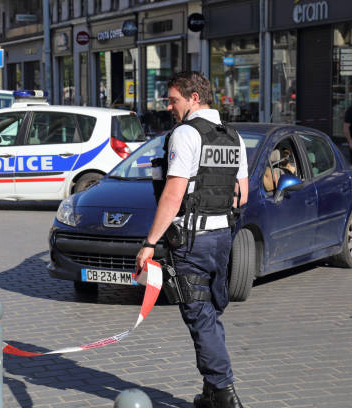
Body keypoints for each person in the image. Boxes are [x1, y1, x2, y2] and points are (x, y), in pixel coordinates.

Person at [136, 71, 248, 408]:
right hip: (222, 237)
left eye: (173, 100)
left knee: (199, 315)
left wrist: (150, 242)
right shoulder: (233, 136)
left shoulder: (185, 134)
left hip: (191, 240)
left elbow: (173, 193)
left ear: (194, 98)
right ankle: (212, 392)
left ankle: (224, 392)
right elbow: (241, 195)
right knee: (209, 312)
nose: (169, 107)